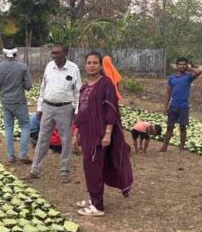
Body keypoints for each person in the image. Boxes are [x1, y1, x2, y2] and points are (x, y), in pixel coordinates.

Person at [73, 51, 133, 217]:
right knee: (89, 167)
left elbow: (111, 111)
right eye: (89, 63)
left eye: (95, 63)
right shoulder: (84, 87)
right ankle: (93, 198)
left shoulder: (106, 84)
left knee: (94, 167)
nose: (91, 65)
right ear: (85, 66)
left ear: (101, 65)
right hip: (86, 133)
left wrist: (107, 134)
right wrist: (76, 133)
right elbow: (81, 111)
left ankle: (98, 206)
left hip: (98, 134)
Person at [24, 44, 81, 183]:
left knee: (66, 140)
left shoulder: (73, 68)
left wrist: (77, 111)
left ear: (65, 53)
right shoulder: (49, 66)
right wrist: (39, 107)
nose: (54, 55)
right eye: (53, 53)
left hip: (65, 108)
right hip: (47, 107)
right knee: (42, 139)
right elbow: (43, 88)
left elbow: (78, 92)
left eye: (57, 53)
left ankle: (64, 172)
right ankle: (35, 170)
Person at [0, 47, 32, 164]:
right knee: (25, 126)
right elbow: (28, 85)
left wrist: (2, 87)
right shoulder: (23, 67)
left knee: (9, 127)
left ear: (4, 54)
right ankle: (23, 154)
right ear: (16, 54)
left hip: (5, 101)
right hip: (19, 101)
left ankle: (10, 156)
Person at [159, 57, 202, 152]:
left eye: (184, 64)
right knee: (169, 127)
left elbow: (199, 71)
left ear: (186, 66)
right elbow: (168, 93)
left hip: (183, 106)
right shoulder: (171, 78)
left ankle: (181, 148)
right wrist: (165, 107)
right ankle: (164, 146)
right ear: (176, 66)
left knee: (182, 127)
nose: (182, 66)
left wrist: (190, 68)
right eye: (180, 64)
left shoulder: (188, 77)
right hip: (173, 106)